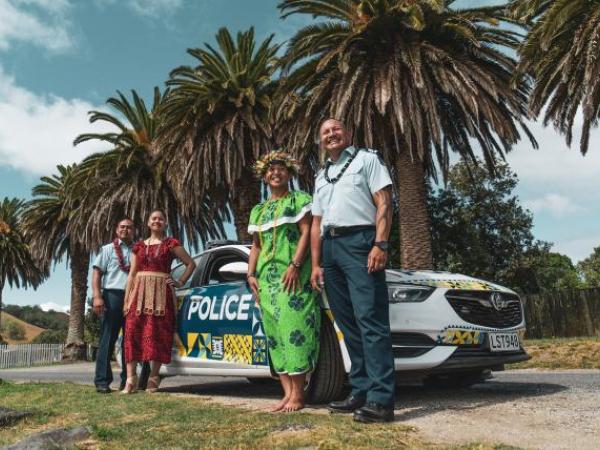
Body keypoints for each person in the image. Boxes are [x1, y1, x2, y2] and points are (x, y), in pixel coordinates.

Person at [310, 118, 395, 423]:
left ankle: (381, 400)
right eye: (325, 132)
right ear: (321, 141)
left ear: (347, 134)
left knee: (370, 321)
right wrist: (317, 264)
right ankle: (360, 390)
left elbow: (384, 201)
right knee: (348, 325)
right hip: (330, 249)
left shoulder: (367, 160)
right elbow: (317, 223)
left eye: (335, 129)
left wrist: (380, 244)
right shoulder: (321, 176)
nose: (331, 134)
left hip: (361, 242)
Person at [247, 151, 320, 412]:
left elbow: (306, 232)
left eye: (280, 169)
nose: (275, 173)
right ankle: (287, 393)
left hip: (293, 277)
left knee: (294, 330)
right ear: (264, 176)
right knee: (275, 335)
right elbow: (256, 245)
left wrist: (295, 265)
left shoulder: (299, 200)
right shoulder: (259, 210)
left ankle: (299, 394)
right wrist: (250, 274)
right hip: (266, 281)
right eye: (270, 170)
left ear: (289, 174)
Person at [121, 210, 196, 394]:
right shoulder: (138, 247)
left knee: (158, 333)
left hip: (161, 295)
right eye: (154, 218)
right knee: (131, 332)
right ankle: (131, 379)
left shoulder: (171, 244)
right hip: (138, 294)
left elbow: (191, 264)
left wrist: (180, 281)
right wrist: (126, 300)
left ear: (165, 223)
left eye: (161, 218)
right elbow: (131, 274)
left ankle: (154, 377)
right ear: (148, 223)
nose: (157, 221)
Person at [92, 218, 134, 393]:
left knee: (130, 340)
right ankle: (102, 381)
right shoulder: (107, 250)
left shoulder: (138, 250)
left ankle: (128, 381)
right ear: (117, 230)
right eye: (122, 227)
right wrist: (97, 296)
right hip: (112, 296)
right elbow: (97, 274)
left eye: (129, 228)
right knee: (107, 339)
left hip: (132, 297)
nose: (125, 230)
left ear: (134, 231)